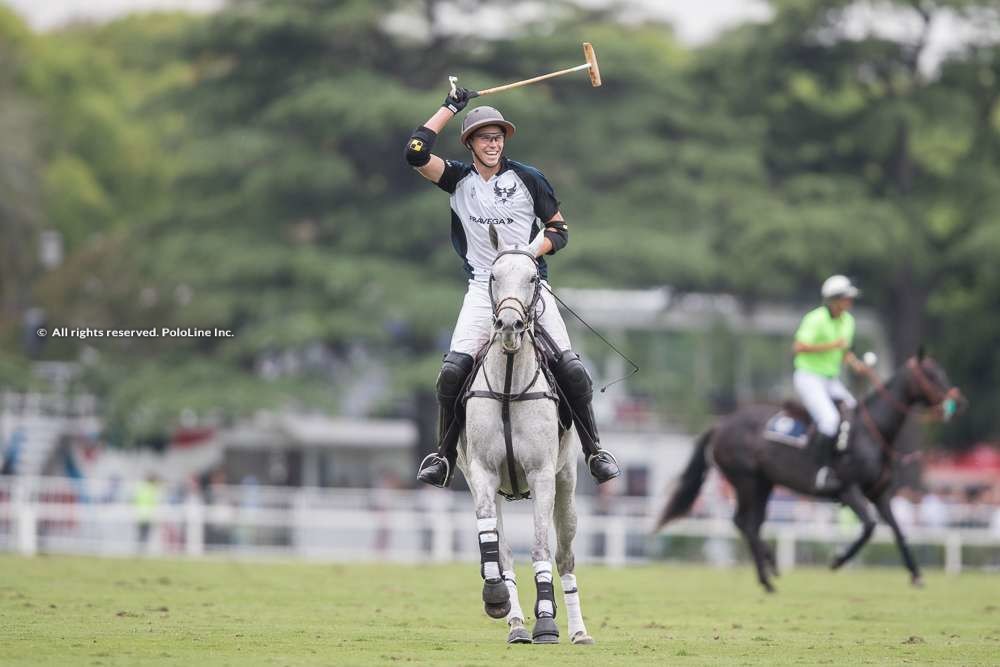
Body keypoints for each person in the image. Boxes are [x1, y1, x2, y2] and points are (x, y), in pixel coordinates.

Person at [404, 85, 621, 488]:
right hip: (481, 290)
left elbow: (559, 230)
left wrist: (527, 254)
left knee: (571, 368)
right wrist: (450, 107)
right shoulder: (457, 179)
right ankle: (444, 455)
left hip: (529, 288)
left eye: (498, 136)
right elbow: (415, 152)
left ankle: (594, 450)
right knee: (452, 372)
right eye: (485, 137)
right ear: (470, 143)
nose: (493, 143)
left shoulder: (528, 178)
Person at [792, 275, 868, 492]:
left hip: (830, 379)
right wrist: (830, 345)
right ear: (834, 300)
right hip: (808, 376)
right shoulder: (815, 319)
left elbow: (844, 352)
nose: (850, 302)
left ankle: (844, 463)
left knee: (856, 414)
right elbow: (798, 347)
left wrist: (856, 365)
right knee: (830, 420)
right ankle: (820, 470)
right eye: (846, 298)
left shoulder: (848, 321)